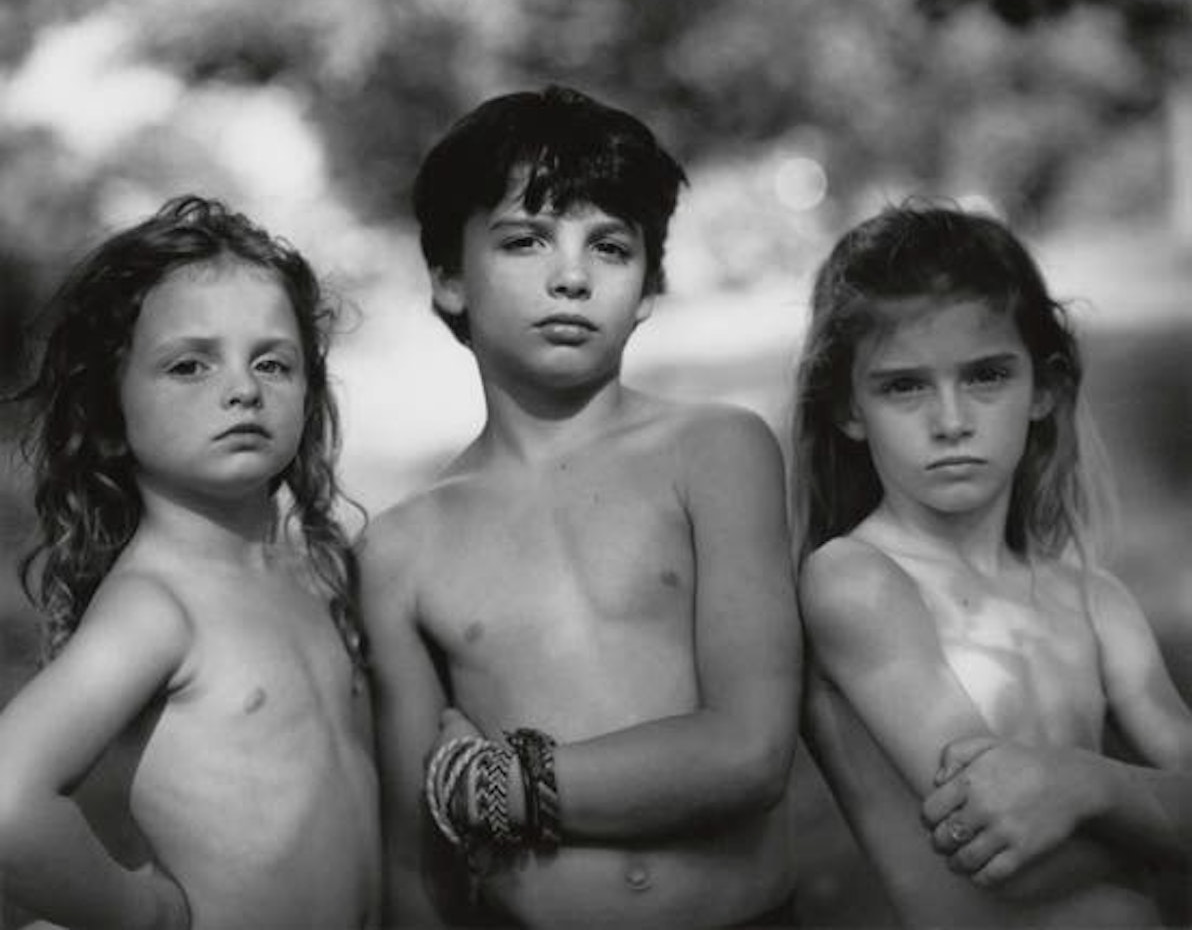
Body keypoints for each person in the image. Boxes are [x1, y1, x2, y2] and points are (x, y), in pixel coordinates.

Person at [358, 85, 802, 928]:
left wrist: (489, 786)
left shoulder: (716, 453)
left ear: (648, 287)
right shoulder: (402, 550)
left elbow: (751, 752)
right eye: (525, 240)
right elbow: (416, 858)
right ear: (449, 278)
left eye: (610, 246)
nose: (570, 276)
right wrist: (452, 803)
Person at [789, 201, 1192, 927]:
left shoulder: (1093, 599)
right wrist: (1152, 815)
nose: (951, 421)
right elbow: (1009, 850)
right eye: (904, 385)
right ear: (848, 409)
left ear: (1044, 388)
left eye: (986, 376)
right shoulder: (856, 581)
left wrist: (1087, 784)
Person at [0, 196, 380, 930]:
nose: (243, 389)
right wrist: (140, 914)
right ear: (108, 419)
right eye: (188, 366)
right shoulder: (156, 608)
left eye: (272, 362)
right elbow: (9, 798)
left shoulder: (308, 577)